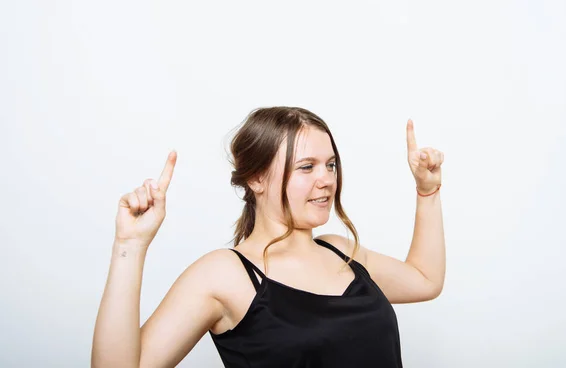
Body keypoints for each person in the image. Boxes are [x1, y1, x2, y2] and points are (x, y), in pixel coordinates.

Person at [91, 106, 446, 368]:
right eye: (306, 167)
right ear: (257, 179)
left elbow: (425, 280)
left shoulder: (340, 252)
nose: (326, 179)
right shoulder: (225, 274)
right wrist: (130, 246)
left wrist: (427, 192)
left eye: (331, 164)